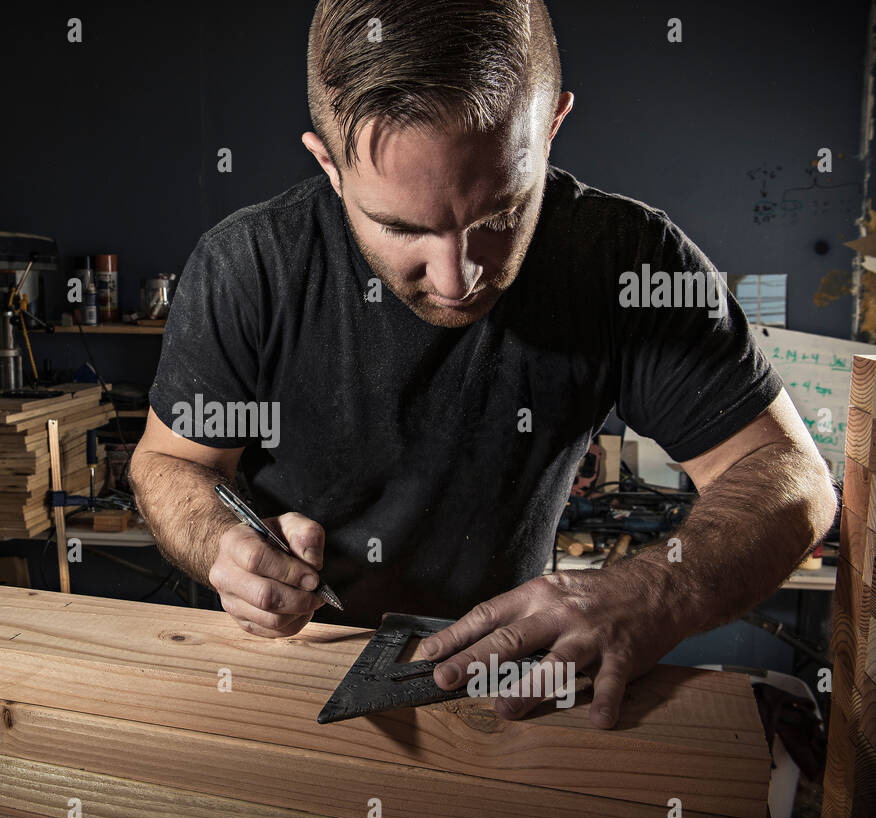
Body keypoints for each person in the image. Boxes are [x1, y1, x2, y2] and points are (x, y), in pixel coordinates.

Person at [129, 0, 836, 728]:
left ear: (552, 126)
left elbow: (792, 476)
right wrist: (223, 543)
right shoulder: (247, 266)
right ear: (329, 165)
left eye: (500, 215)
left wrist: (656, 589)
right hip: (280, 673)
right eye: (402, 228)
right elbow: (168, 463)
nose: (456, 276)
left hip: (502, 695)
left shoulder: (626, 262)